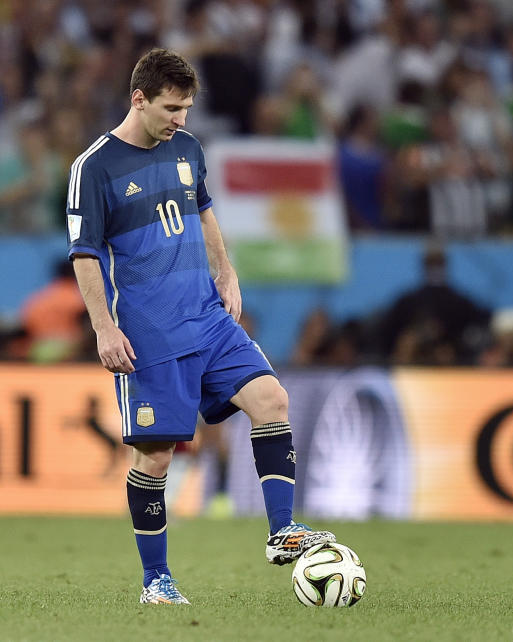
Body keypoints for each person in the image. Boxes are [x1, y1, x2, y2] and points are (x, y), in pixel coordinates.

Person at [66, 48, 336, 605]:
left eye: (186, 108)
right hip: (150, 334)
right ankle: (157, 582)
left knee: (272, 400)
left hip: (208, 319)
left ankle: (282, 532)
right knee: (156, 457)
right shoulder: (94, 167)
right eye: (171, 108)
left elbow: (204, 207)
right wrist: (103, 328)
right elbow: (86, 254)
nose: (181, 120)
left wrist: (226, 268)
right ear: (138, 99)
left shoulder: (188, 148)